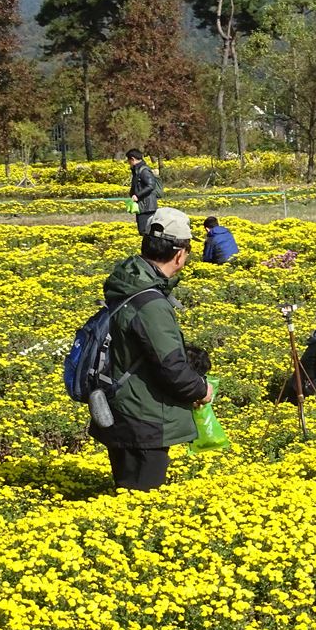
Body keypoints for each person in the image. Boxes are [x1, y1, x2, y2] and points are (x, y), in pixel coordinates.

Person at [88, 207, 212, 491]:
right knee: (141, 499)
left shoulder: (126, 285)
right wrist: (201, 389)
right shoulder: (151, 303)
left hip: (120, 406)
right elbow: (172, 368)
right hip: (144, 419)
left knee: (127, 492)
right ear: (180, 254)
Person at [127, 149, 160, 235]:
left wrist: (137, 195)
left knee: (145, 232)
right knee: (143, 231)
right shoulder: (137, 170)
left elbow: (151, 185)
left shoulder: (144, 171)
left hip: (147, 207)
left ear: (133, 159)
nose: (128, 162)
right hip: (142, 206)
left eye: (128, 160)